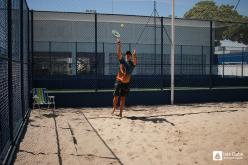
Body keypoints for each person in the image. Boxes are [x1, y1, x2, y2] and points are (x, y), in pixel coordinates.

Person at [111, 38, 137, 118]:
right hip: (119, 81)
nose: (128, 55)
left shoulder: (132, 64)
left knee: (123, 98)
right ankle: (114, 108)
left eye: (129, 55)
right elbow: (119, 54)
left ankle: (121, 113)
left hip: (126, 83)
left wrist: (135, 55)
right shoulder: (123, 61)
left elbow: (135, 61)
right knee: (115, 97)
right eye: (127, 55)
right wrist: (119, 45)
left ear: (131, 56)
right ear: (126, 56)